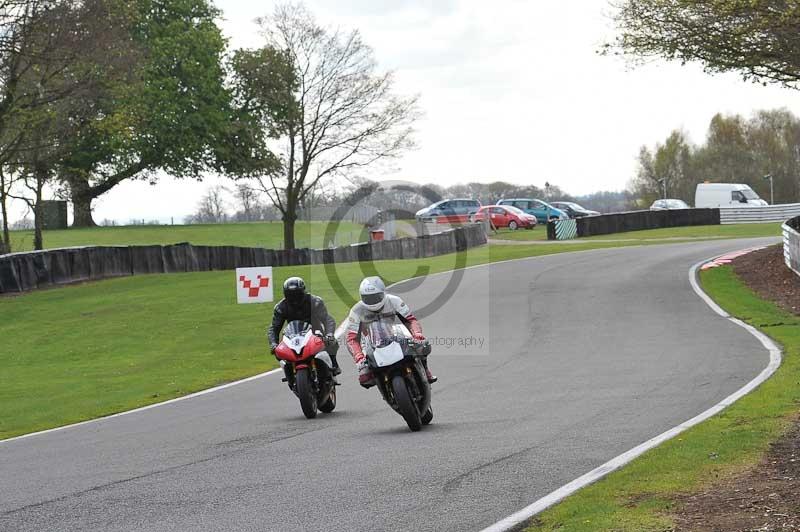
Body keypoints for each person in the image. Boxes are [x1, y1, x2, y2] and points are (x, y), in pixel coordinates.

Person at [344, 276, 436, 388]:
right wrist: (359, 356)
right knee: (365, 377)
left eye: (376, 296)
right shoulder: (356, 310)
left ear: (383, 293)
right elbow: (351, 338)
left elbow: (410, 320)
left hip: (395, 333)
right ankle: (383, 384)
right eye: (368, 298)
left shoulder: (394, 300)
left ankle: (425, 370)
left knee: (423, 345)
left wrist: (417, 334)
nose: (372, 301)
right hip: (370, 341)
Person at [267, 277, 341, 381]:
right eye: (291, 295)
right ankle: (289, 374)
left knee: (332, 342)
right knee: (278, 352)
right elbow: (274, 328)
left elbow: (328, 320)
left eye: (297, 295)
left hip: (315, 335)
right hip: (293, 337)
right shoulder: (281, 307)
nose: (294, 298)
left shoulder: (315, 302)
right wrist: (273, 344)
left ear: (303, 292)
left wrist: (329, 334)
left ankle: (333, 364)